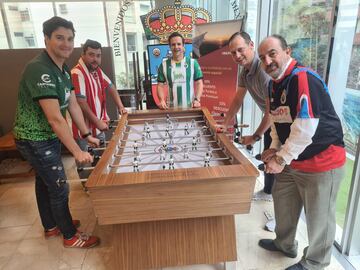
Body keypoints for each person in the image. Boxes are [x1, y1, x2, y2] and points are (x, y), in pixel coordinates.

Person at [257, 35, 346, 270]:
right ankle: (285, 244)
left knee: (319, 218)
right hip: (294, 160)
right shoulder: (272, 84)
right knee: (282, 202)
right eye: (262, 57)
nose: (268, 60)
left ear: (287, 51)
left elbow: (305, 129)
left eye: (272, 53)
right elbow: (278, 121)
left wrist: (280, 159)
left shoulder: (302, 77)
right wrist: (274, 148)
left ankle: (315, 262)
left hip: (322, 161)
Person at [13, 16, 100, 248]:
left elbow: (72, 104)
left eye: (70, 38)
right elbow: (55, 118)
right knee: (60, 185)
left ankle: (52, 226)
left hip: (46, 138)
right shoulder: (39, 69)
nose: (66, 44)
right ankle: (70, 236)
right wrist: (76, 152)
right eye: (59, 38)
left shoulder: (62, 69)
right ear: (46, 39)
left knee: (45, 182)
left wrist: (85, 134)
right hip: (34, 138)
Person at [220, 31, 274, 202]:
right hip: (274, 121)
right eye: (233, 52)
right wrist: (225, 124)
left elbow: (271, 111)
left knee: (280, 165)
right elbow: (237, 100)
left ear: (251, 46)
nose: (237, 55)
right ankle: (268, 192)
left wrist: (255, 137)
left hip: (284, 122)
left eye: (240, 49)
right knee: (268, 158)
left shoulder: (263, 71)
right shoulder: (244, 72)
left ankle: (278, 207)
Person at [71, 39, 127, 149]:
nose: (95, 59)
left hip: (99, 128)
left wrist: (120, 107)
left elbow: (111, 86)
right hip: (84, 133)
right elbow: (81, 102)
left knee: (101, 161)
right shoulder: (77, 73)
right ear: (83, 54)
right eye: (91, 55)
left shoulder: (97, 70)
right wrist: (97, 122)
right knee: (87, 163)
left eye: (98, 56)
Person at [157, 32, 204, 109]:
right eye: (173, 44)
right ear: (169, 46)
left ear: (183, 45)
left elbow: (199, 83)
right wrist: (161, 100)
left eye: (179, 44)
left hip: (190, 108)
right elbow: (160, 85)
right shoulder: (164, 65)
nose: (176, 47)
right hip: (171, 109)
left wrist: (197, 99)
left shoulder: (193, 63)